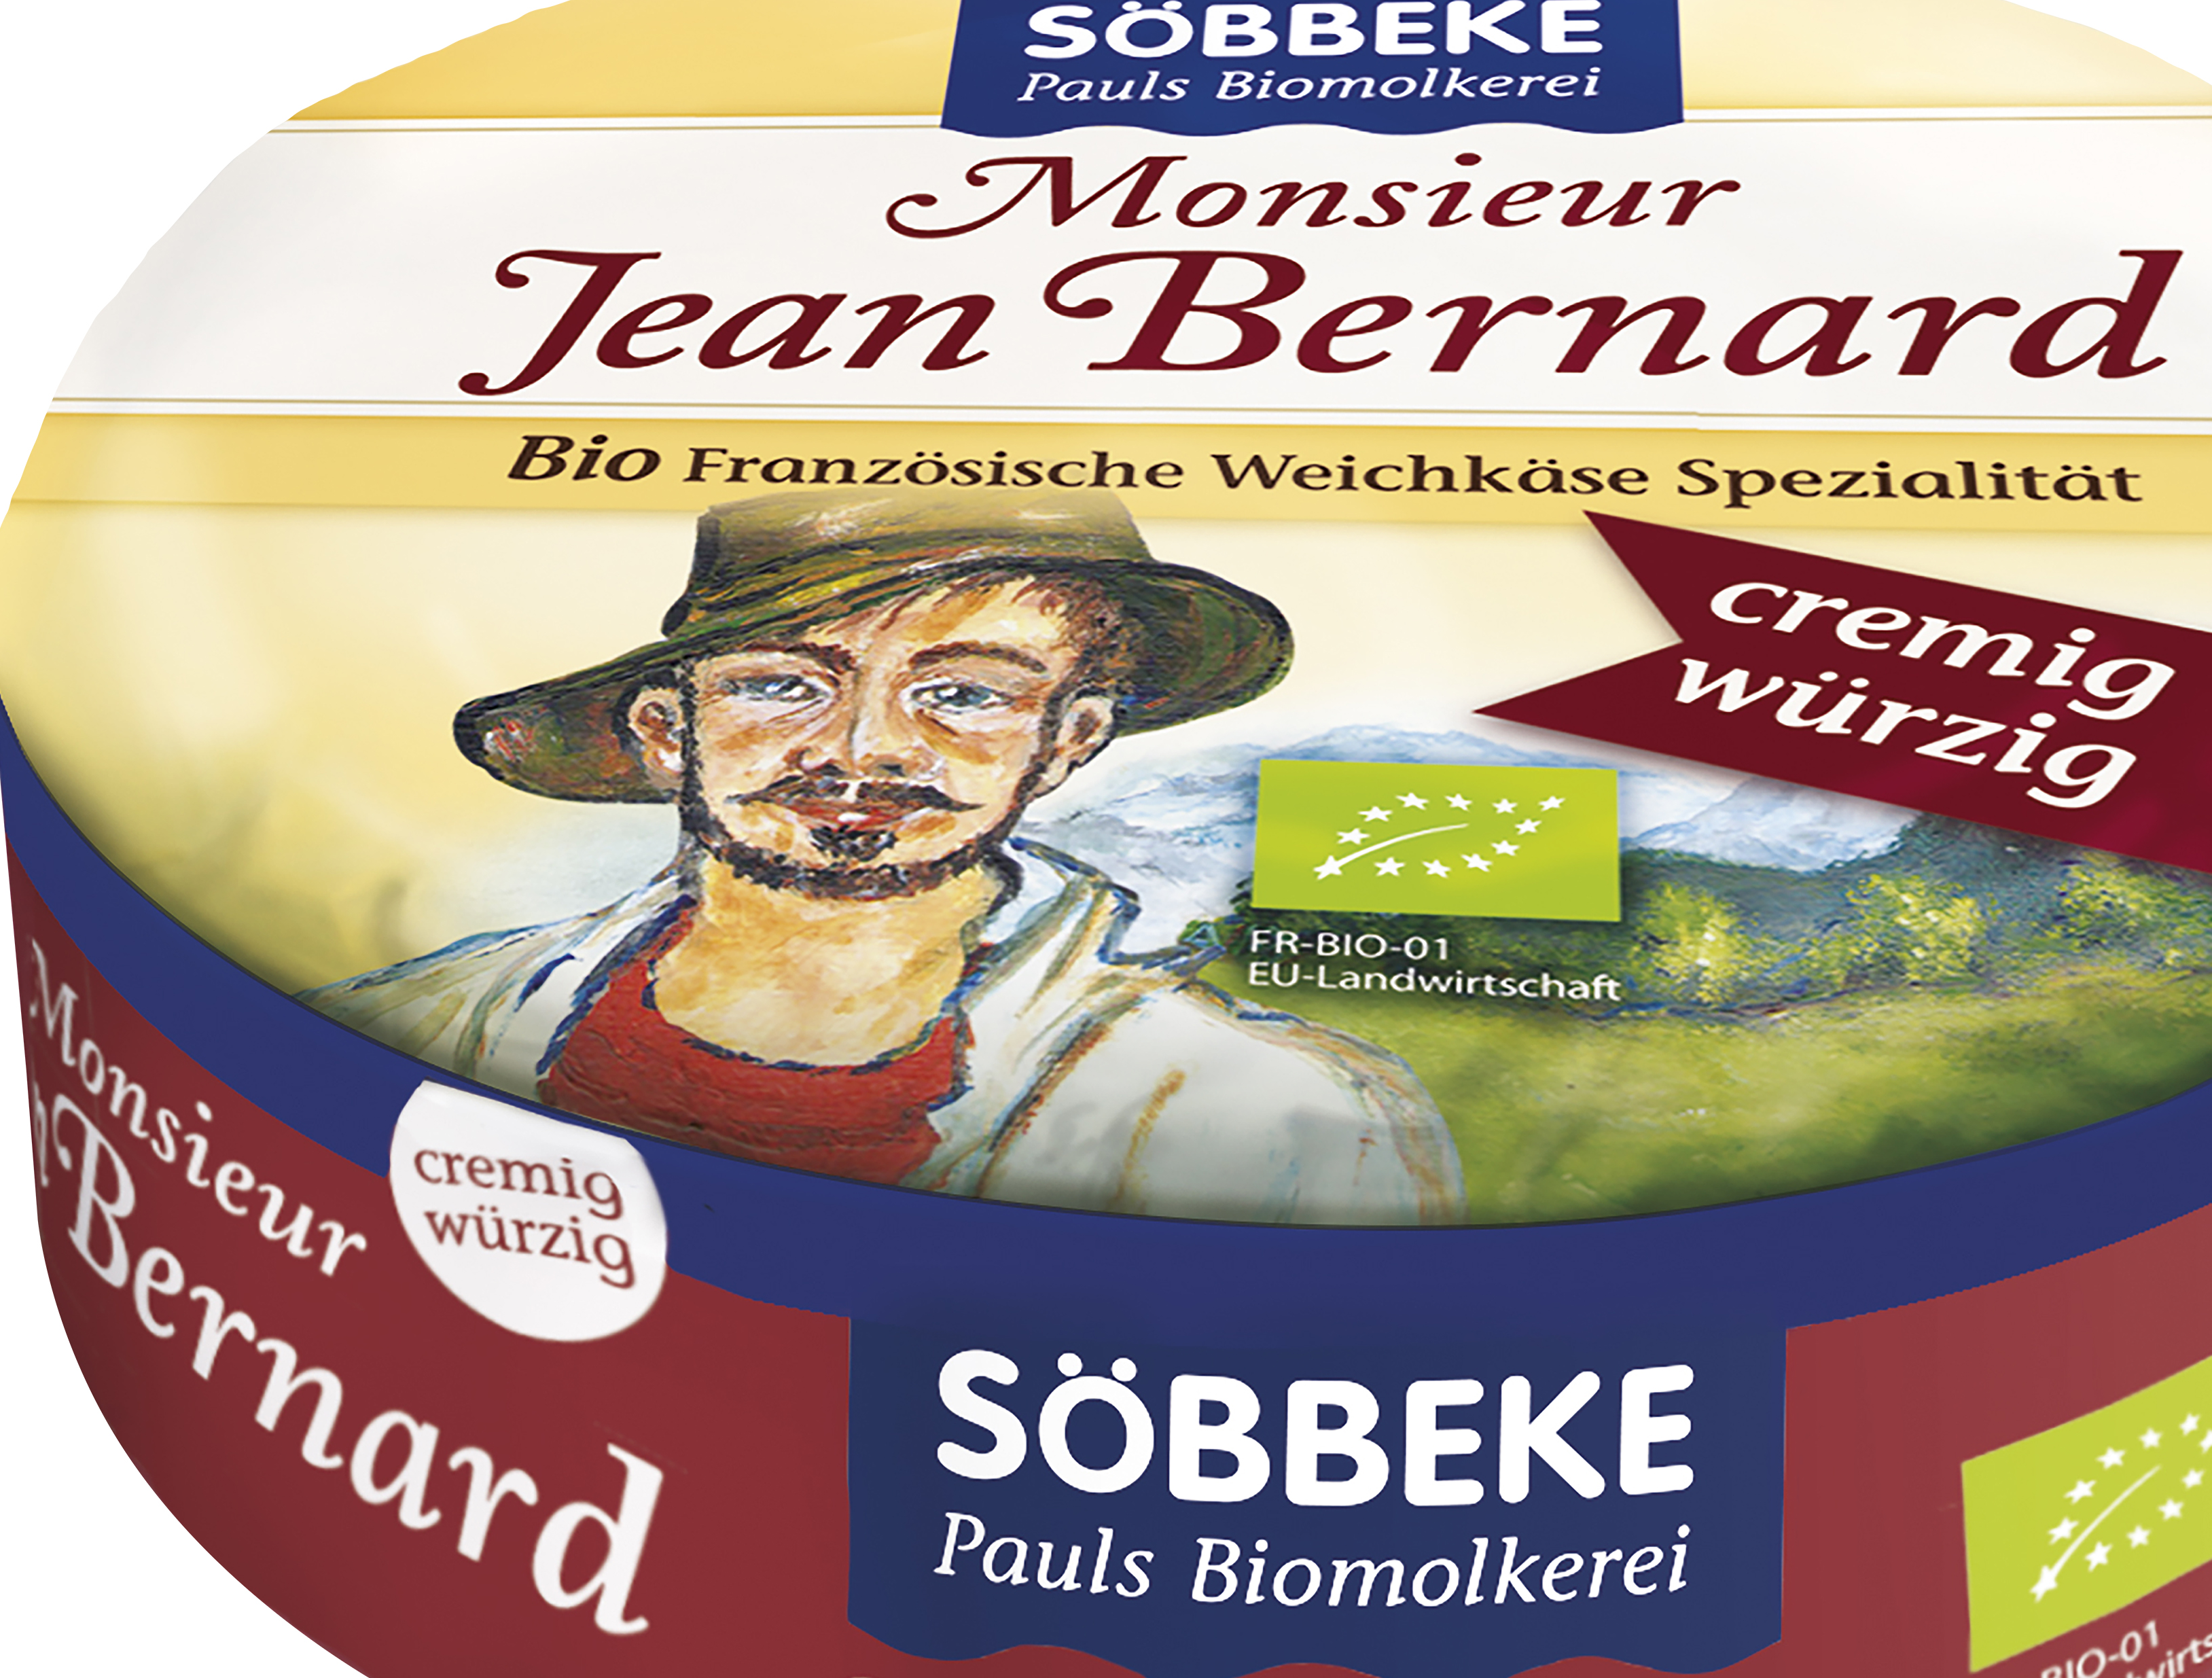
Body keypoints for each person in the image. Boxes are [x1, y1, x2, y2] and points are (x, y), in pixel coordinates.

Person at [304, 488, 1463, 1225]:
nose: (863, 749)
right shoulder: (398, 1032)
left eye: (965, 694)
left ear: (1069, 739)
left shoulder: (1270, 1117)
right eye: (779, 684)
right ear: (667, 729)